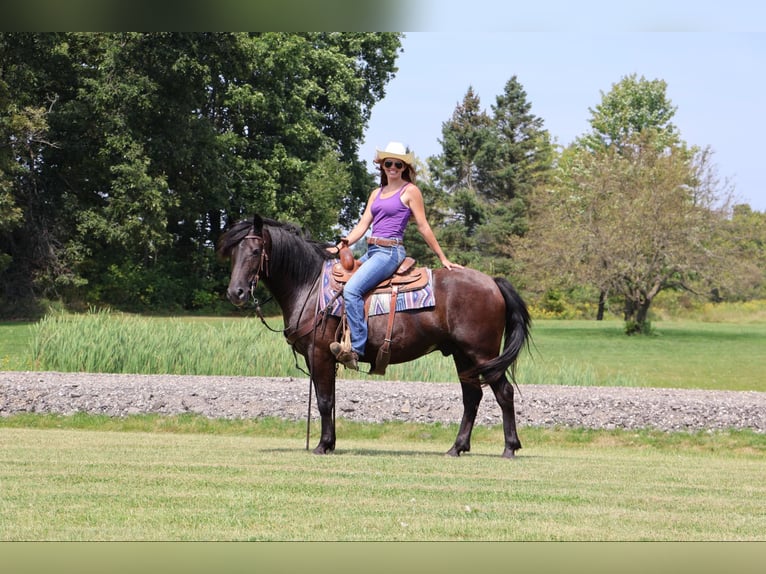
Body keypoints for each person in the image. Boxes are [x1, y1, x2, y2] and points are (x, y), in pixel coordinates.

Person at [330, 141, 462, 370]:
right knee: (341, 285)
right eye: (388, 163)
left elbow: (423, 226)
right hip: (371, 250)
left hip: (390, 252)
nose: (392, 167)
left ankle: (356, 349)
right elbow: (362, 226)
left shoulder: (410, 191)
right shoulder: (376, 193)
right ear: (382, 166)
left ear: (404, 168)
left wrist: (443, 258)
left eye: (397, 164)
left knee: (352, 290)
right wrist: (341, 245)